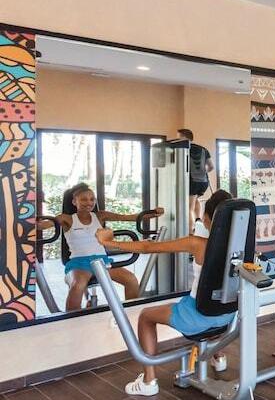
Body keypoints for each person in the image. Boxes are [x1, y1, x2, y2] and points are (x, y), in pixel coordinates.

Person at [96, 190, 234, 396]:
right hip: (227, 317)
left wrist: (108, 242)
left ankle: (148, 381)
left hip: (198, 319)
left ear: (207, 218)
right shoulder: (240, 247)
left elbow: (148, 247)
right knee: (212, 303)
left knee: (146, 316)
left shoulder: (197, 243)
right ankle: (219, 357)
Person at [38, 183, 163, 311]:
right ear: (74, 202)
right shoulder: (66, 219)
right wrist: (33, 220)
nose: (89, 203)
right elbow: (44, 225)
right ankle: (72, 319)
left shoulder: (100, 216)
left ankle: (132, 312)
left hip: (103, 262)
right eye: (84, 199)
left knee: (131, 280)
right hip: (80, 263)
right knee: (77, 286)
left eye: (92, 199)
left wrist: (153, 214)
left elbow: (129, 218)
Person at [178, 129, 214, 230]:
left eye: (179, 137)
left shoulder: (183, 149)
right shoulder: (203, 149)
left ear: (184, 138)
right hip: (203, 182)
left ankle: (191, 231)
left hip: (192, 182)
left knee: (189, 208)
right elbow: (211, 167)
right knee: (195, 200)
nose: (178, 140)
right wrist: (202, 172)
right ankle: (198, 221)